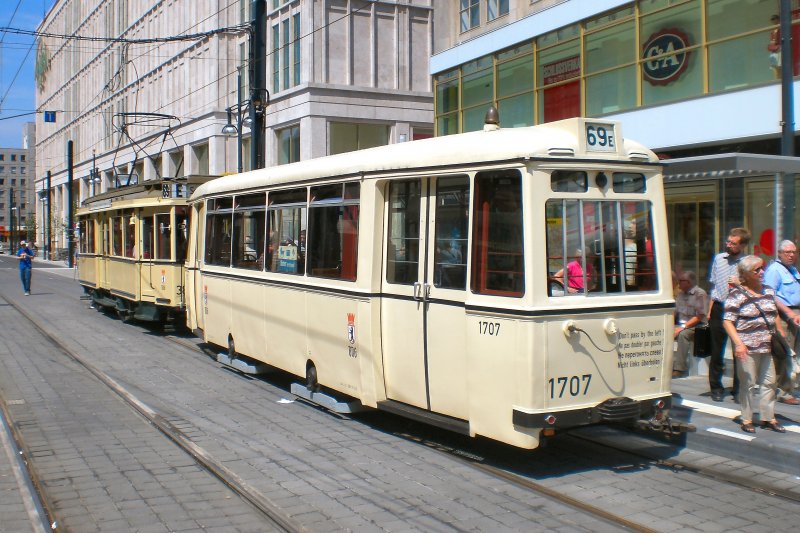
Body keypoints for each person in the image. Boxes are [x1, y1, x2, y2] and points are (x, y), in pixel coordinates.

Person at [723, 255, 797, 433]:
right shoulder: (736, 294)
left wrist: (781, 335)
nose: (762, 272)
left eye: (762, 268)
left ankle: (768, 418)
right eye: (757, 270)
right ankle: (747, 419)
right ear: (746, 274)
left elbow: (773, 314)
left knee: (769, 383)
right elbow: (727, 321)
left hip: (767, 345)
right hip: (746, 347)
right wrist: (739, 344)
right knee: (748, 384)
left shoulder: (768, 291)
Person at [707, 227, 750, 402]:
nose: (729, 245)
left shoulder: (747, 263)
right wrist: (709, 310)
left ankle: (738, 389)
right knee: (717, 349)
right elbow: (713, 285)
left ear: (742, 245)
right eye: (728, 241)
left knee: (739, 350)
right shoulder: (719, 259)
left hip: (739, 309)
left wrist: (740, 282)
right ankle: (716, 387)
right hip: (719, 307)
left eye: (733, 243)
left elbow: (755, 287)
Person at [764, 239, 800, 405]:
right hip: (784, 316)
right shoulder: (774, 270)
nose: (791, 255)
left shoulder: (792, 270)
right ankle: (783, 391)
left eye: (794, 252)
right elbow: (770, 295)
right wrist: (789, 313)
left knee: (794, 353)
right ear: (779, 253)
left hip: (795, 315)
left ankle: (788, 387)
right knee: (785, 353)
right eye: (787, 252)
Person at [673, 271, 708, 378]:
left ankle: (679, 369)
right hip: (681, 324)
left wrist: (682, 327)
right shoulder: (680, 294)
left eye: (681, 281)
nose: (679, 283)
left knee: (683, 335)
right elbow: (675, 312)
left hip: (697, 325)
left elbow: (700, 316)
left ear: (689, 282)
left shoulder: (699, 294)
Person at [769, 14, 781, 79]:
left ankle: (780, 79)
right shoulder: (773, 30)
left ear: (778, 19)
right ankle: (777, 79)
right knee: (774, 65)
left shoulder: (781, 28)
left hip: (779, 48)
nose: (773, 21)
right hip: (774, 49)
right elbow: (772, 40)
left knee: (779, 65)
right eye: (772, 19)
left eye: (774, 19)